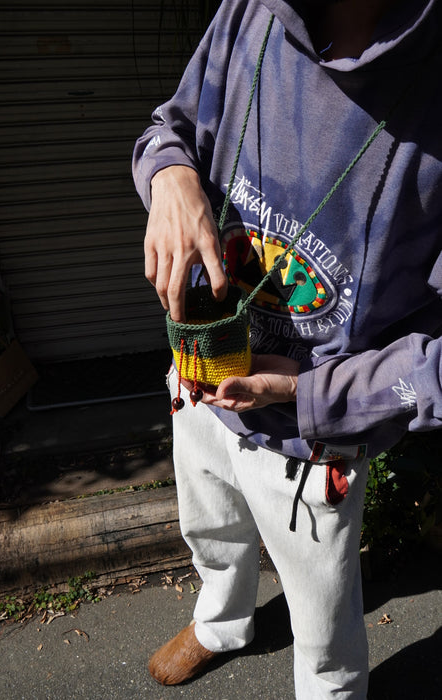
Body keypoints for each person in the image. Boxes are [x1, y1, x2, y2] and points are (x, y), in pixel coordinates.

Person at [132, 0, 442, 697]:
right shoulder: (248, 12)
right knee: (209, 520)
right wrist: (170, 174)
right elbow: (172, 124)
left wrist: (311, 393)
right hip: (201, 370)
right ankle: (221, 621)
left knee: (323, 611)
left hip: (315, 434)